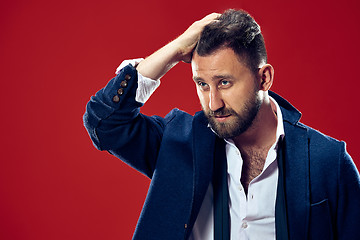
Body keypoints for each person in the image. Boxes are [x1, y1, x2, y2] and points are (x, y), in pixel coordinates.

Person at [83, 9, 360, 240]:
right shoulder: (178, 141)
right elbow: (104, 123)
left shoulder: (327, 161)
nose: (213, 103)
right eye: (202, 84)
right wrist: (175, 49)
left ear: (264, 79)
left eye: (224, 83)